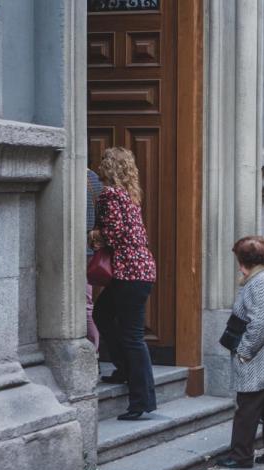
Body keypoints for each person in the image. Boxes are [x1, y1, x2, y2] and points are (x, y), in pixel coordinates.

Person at [89, 147, 158, 421]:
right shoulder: (129, 195)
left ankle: (141, 401)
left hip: (128, 272)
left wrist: (94, 235)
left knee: (132, 337)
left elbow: (115, 234)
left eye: (102, 161)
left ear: (108, 166)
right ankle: (124, 369)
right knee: (102, 314)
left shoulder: (109, 195)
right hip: (140, 270)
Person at [216, 236, 264, 468]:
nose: (239, 267)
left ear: (247, 261)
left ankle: (241, 455)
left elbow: (261, 323)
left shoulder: (262, 282)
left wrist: (244, 351)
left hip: (263, 354)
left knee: (248, 407)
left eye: (240, 261)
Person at [86, 168, 104, 351]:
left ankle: (93, 351)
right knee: (88, 303)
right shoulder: (95, 179)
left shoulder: (80, 178)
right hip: (93, 250)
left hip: (80, 249)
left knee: (86, 305)